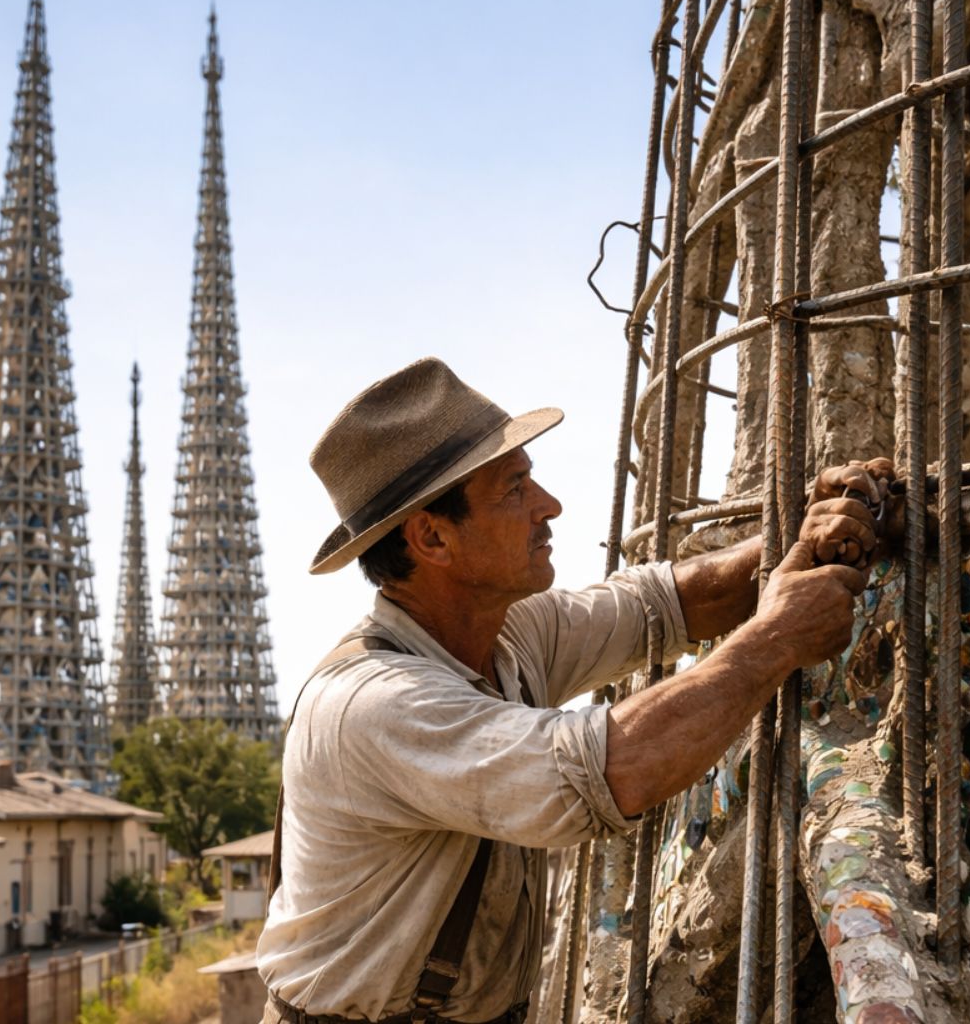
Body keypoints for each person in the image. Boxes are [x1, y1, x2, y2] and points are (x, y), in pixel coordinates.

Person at [258, 358, 897, 1023]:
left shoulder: (508, 633)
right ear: (432, 536)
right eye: (514, 488)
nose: (548, 506)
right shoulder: (376, 706)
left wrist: (807, 527)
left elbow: (672, 602)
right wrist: (775, 638)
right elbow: (613, 767)